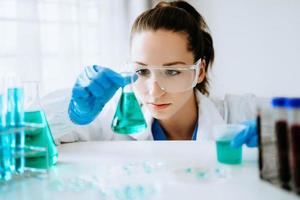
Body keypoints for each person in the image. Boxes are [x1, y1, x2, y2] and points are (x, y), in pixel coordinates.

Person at [67, 0, 257, 147]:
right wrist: (77, 113)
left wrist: (277, 134)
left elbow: (285, 118)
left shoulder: (238, 114)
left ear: (199, 71)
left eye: (172, 71)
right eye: (142, 71)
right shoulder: (114, 120)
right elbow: (42, 137)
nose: (155, 92)